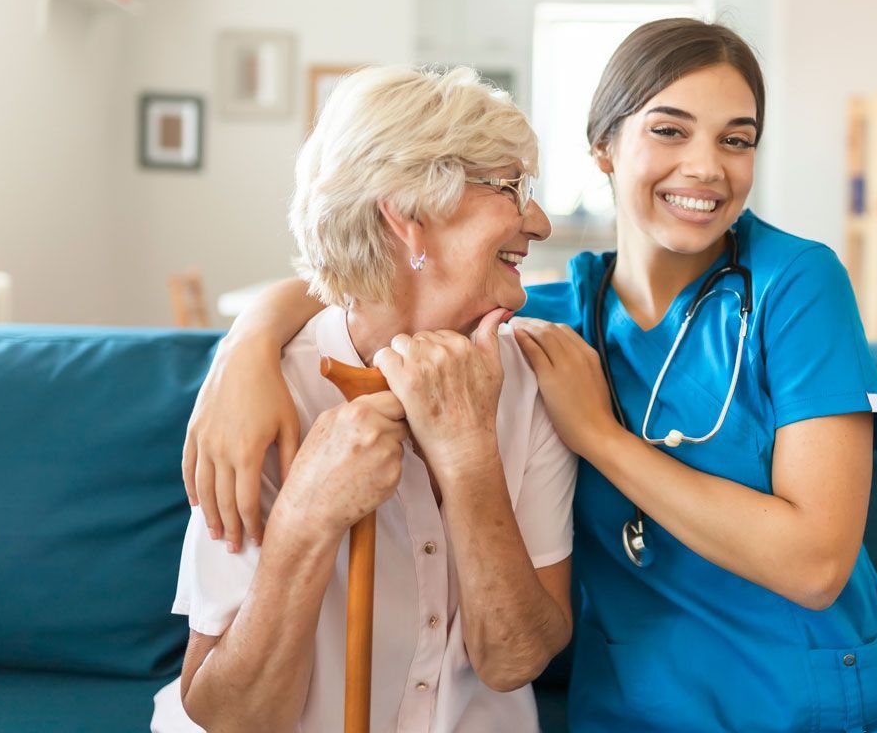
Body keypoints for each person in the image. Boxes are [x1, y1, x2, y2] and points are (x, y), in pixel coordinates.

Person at [181, 20, 877, 732]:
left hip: (808, 700)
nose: (708, 167)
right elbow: (368, 294)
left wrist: (600, 437)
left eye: (738, 139)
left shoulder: (794, 282)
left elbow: (818, 565)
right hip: (636, 709)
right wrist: (243, 353)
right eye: (669, 130)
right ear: (603, 148)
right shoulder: (547, 315)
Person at [151, 65, 577, 733]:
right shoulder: (270, 398)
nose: (542, 221)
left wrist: (469, 460)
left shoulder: (531, 377)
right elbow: (224, 715)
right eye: (512, 186)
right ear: (407, 216)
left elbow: (514, 661)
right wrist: (303, 519)